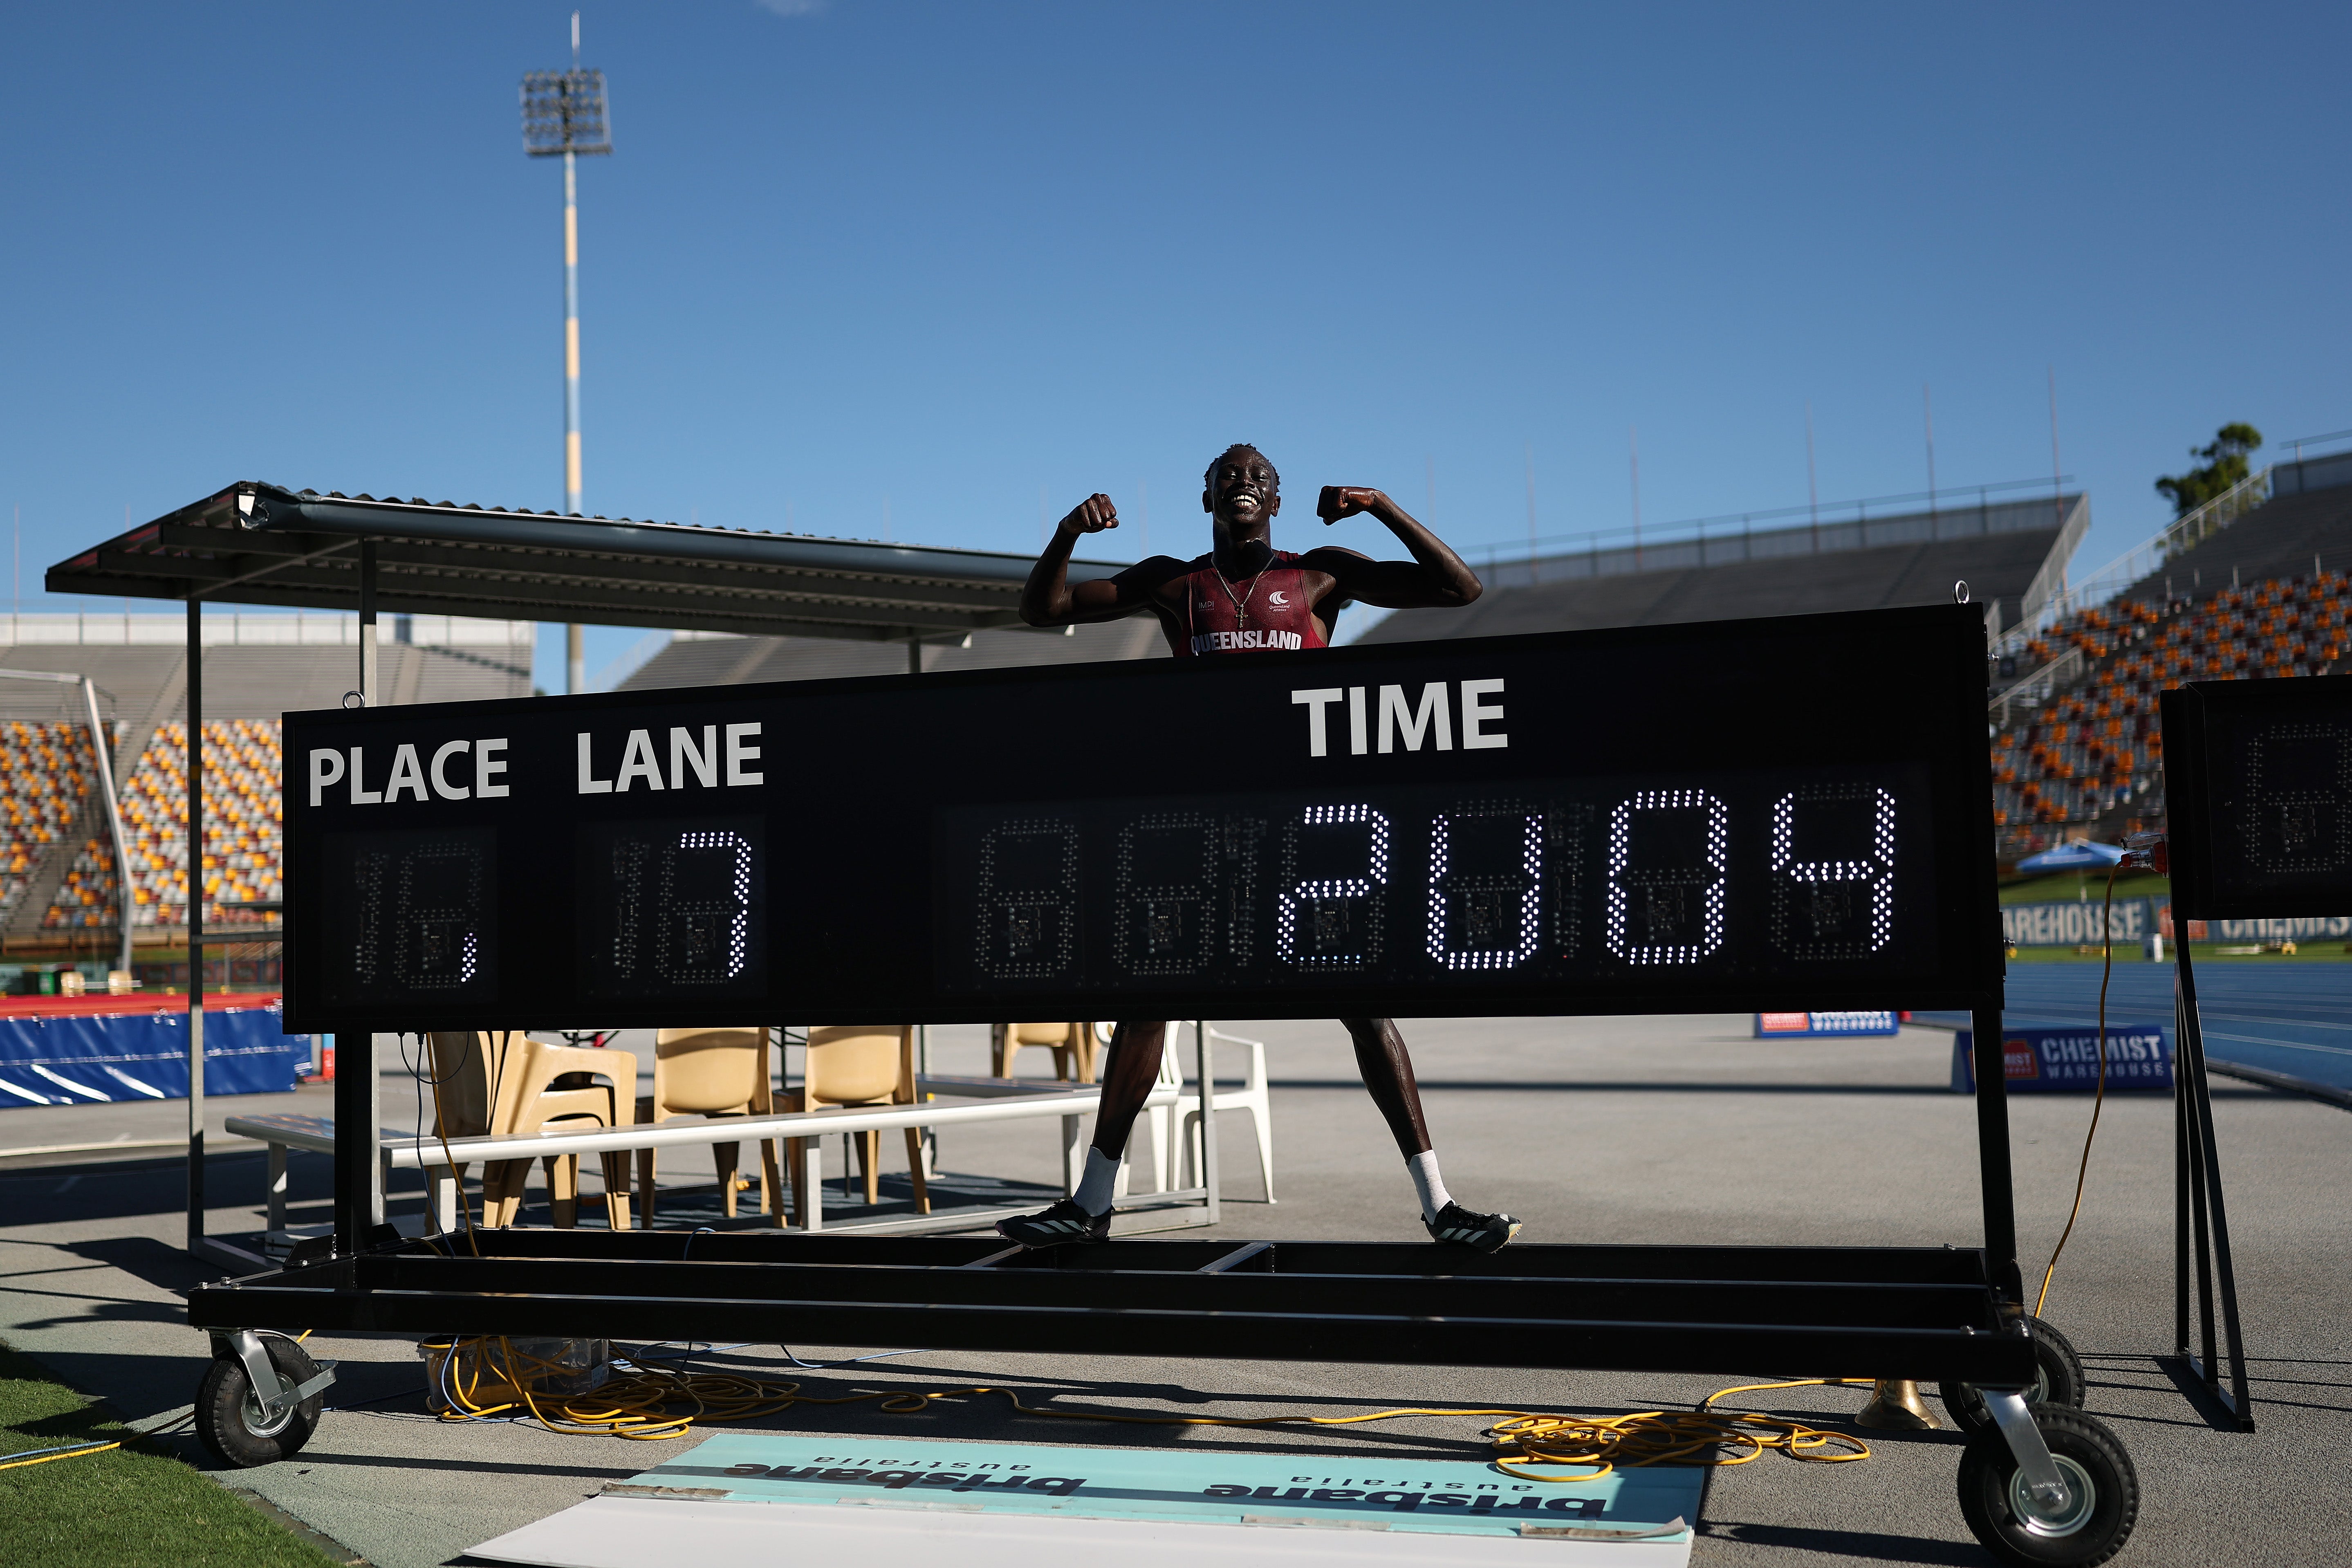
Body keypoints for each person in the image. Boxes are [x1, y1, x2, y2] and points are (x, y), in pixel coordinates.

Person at [995, 443, 1520, 1252]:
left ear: (1276, 498)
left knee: (1366, 1007)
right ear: (1205, 493)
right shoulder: (1176, 583)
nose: (1244, 482)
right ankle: (1090, 1204)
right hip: (1204, 828)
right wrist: (1067, 530)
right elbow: (1045, 608)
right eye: (1229, 475)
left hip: (1306, 823)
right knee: (1145, 1002)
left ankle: (1441, 1205)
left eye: (1259, 477)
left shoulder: (1320, 575)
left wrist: (1380, 506)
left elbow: (1461, 589)